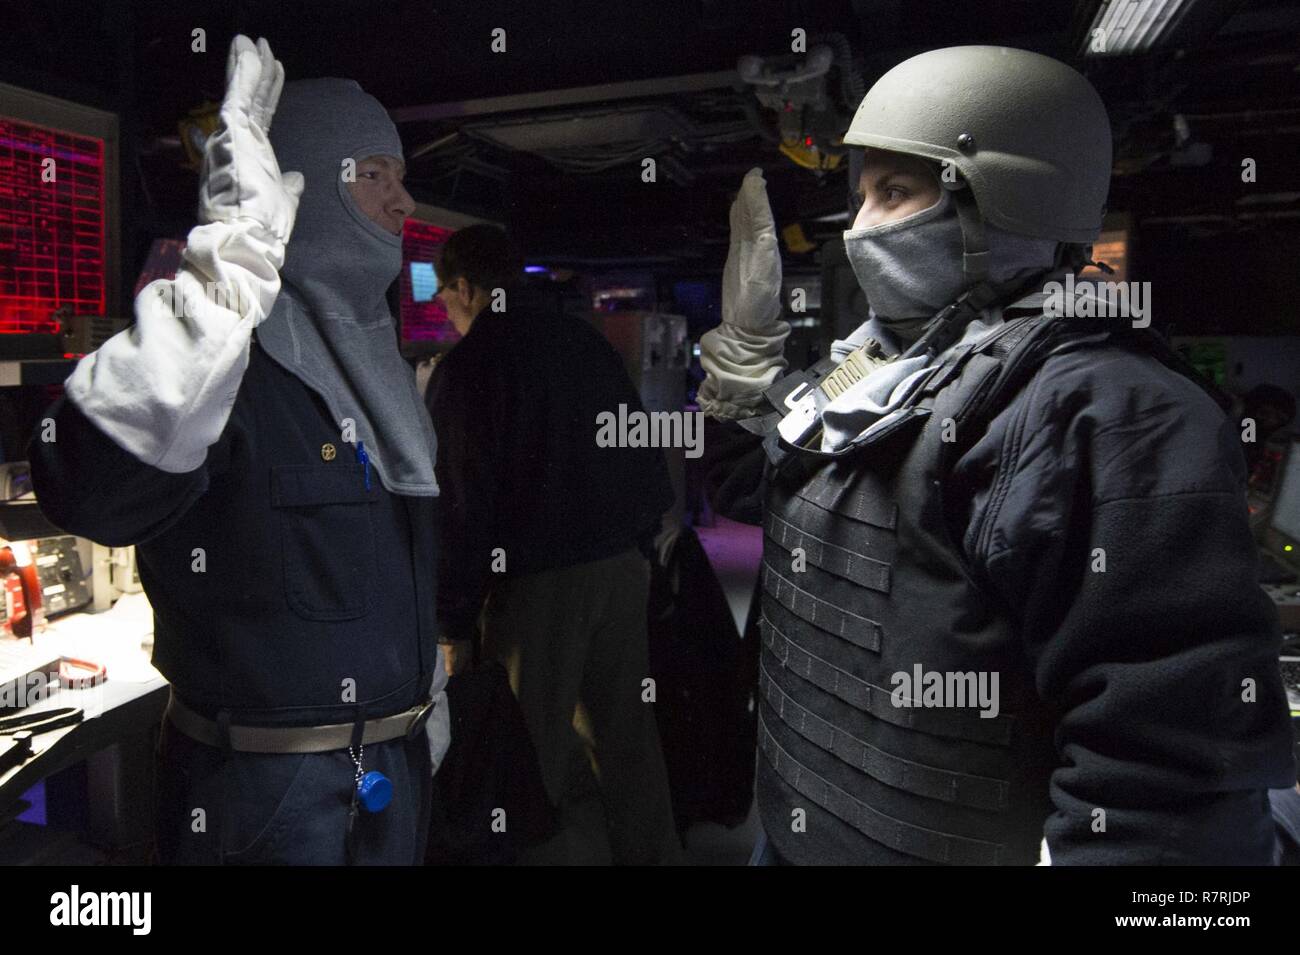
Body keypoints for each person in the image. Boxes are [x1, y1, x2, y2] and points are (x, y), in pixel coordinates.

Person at [699, 45, 1296, 865]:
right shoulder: (881, 366)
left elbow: (1169, 790)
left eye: (897, 192)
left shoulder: (1111, 411)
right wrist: (746, 357)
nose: (862, 228)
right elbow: (758, 483)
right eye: (862, 194)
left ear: (1010, 203)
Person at [27, 36, 448, 864]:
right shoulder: (223, 356)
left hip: (390, 769)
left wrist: (418, 696)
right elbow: (88, 488)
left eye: (401, 175)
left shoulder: (378, 365)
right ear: (309, 185)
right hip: (273, 798)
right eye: (375, 173)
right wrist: (219, 293)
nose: (404, 203)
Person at [425, 224, 681, 864]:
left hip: (537, 588)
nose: (444, 310)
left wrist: (452, 621)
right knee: (627, 742)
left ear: (464, 287)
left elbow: (462, 504)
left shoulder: (468, 367)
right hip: (620, 569)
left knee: (522, 757)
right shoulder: (585, 342)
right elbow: (639, 448)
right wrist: (643, 548)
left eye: (444, 296)